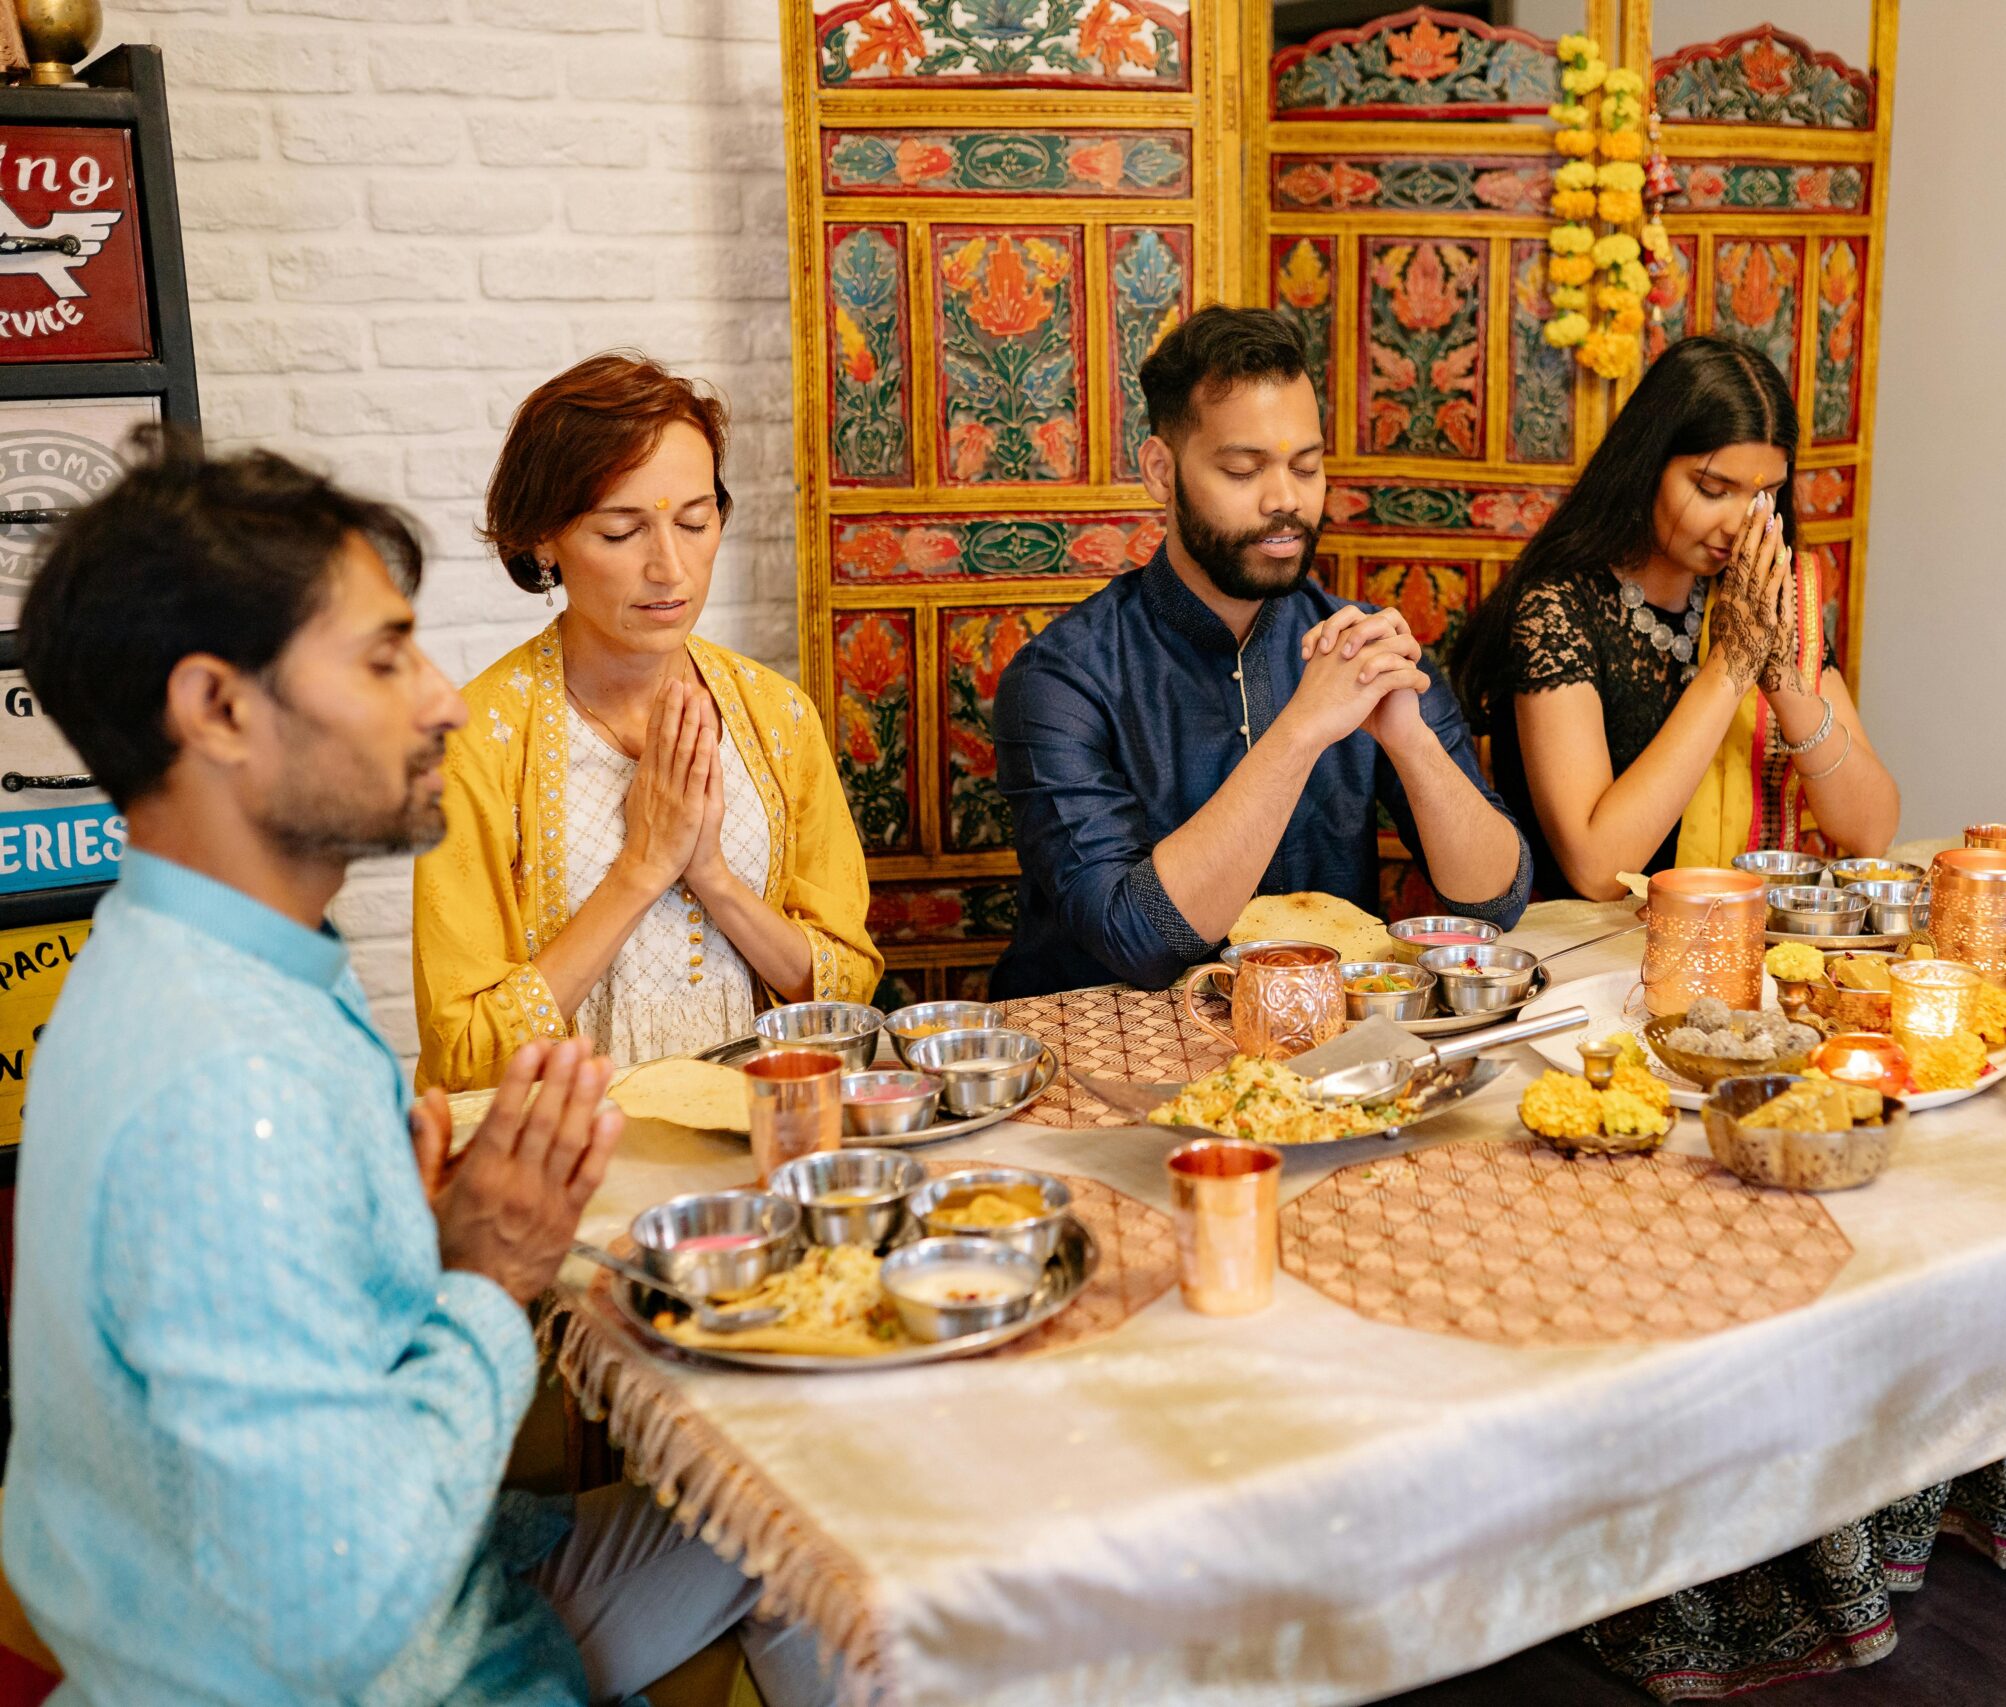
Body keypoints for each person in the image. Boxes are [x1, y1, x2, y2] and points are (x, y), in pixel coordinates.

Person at [3, 439, 831, 1703]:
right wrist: (485, 1281)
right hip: (385, 1664)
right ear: (217, 709)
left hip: (423, 1585)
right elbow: (334, 1605)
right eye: (385, 658)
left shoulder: (216, 960)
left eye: (695, 518)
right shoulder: (225, 1082)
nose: (441, 696)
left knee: (809, 1510)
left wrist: (427, 1243)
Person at [990, 307, 1530, 998]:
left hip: (1321, 1066)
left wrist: (1409, 741)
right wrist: (1302, 729)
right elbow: (1139, 938)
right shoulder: (1061, 679)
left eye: (1306, 467)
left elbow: (1494, 904)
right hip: (1102, 1075)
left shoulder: (1358, 645)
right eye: (1244, 470)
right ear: (1161, 470)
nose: (1285, 500)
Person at [414, 353, 883, 1089]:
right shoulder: (477, 743)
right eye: (620, 532)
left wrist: (714, 877)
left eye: (696, 522)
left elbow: (847, 991)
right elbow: (468, 1057)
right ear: (544, 538)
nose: (671, 568)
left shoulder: (777, 715)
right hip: (575, 1161)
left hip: (760, 1135)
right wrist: (642, 867)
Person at [1449, 335, 1899, 899]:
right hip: (1589, 962)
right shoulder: (1556, 608)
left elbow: (1871, 830)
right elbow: (1597, 871)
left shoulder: (1761, 597)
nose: (1741, 524)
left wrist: (1781, 677)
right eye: (1713, 489)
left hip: (1733, 943)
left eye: (1765, 497)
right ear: (1646, 468)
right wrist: (1731, 665)